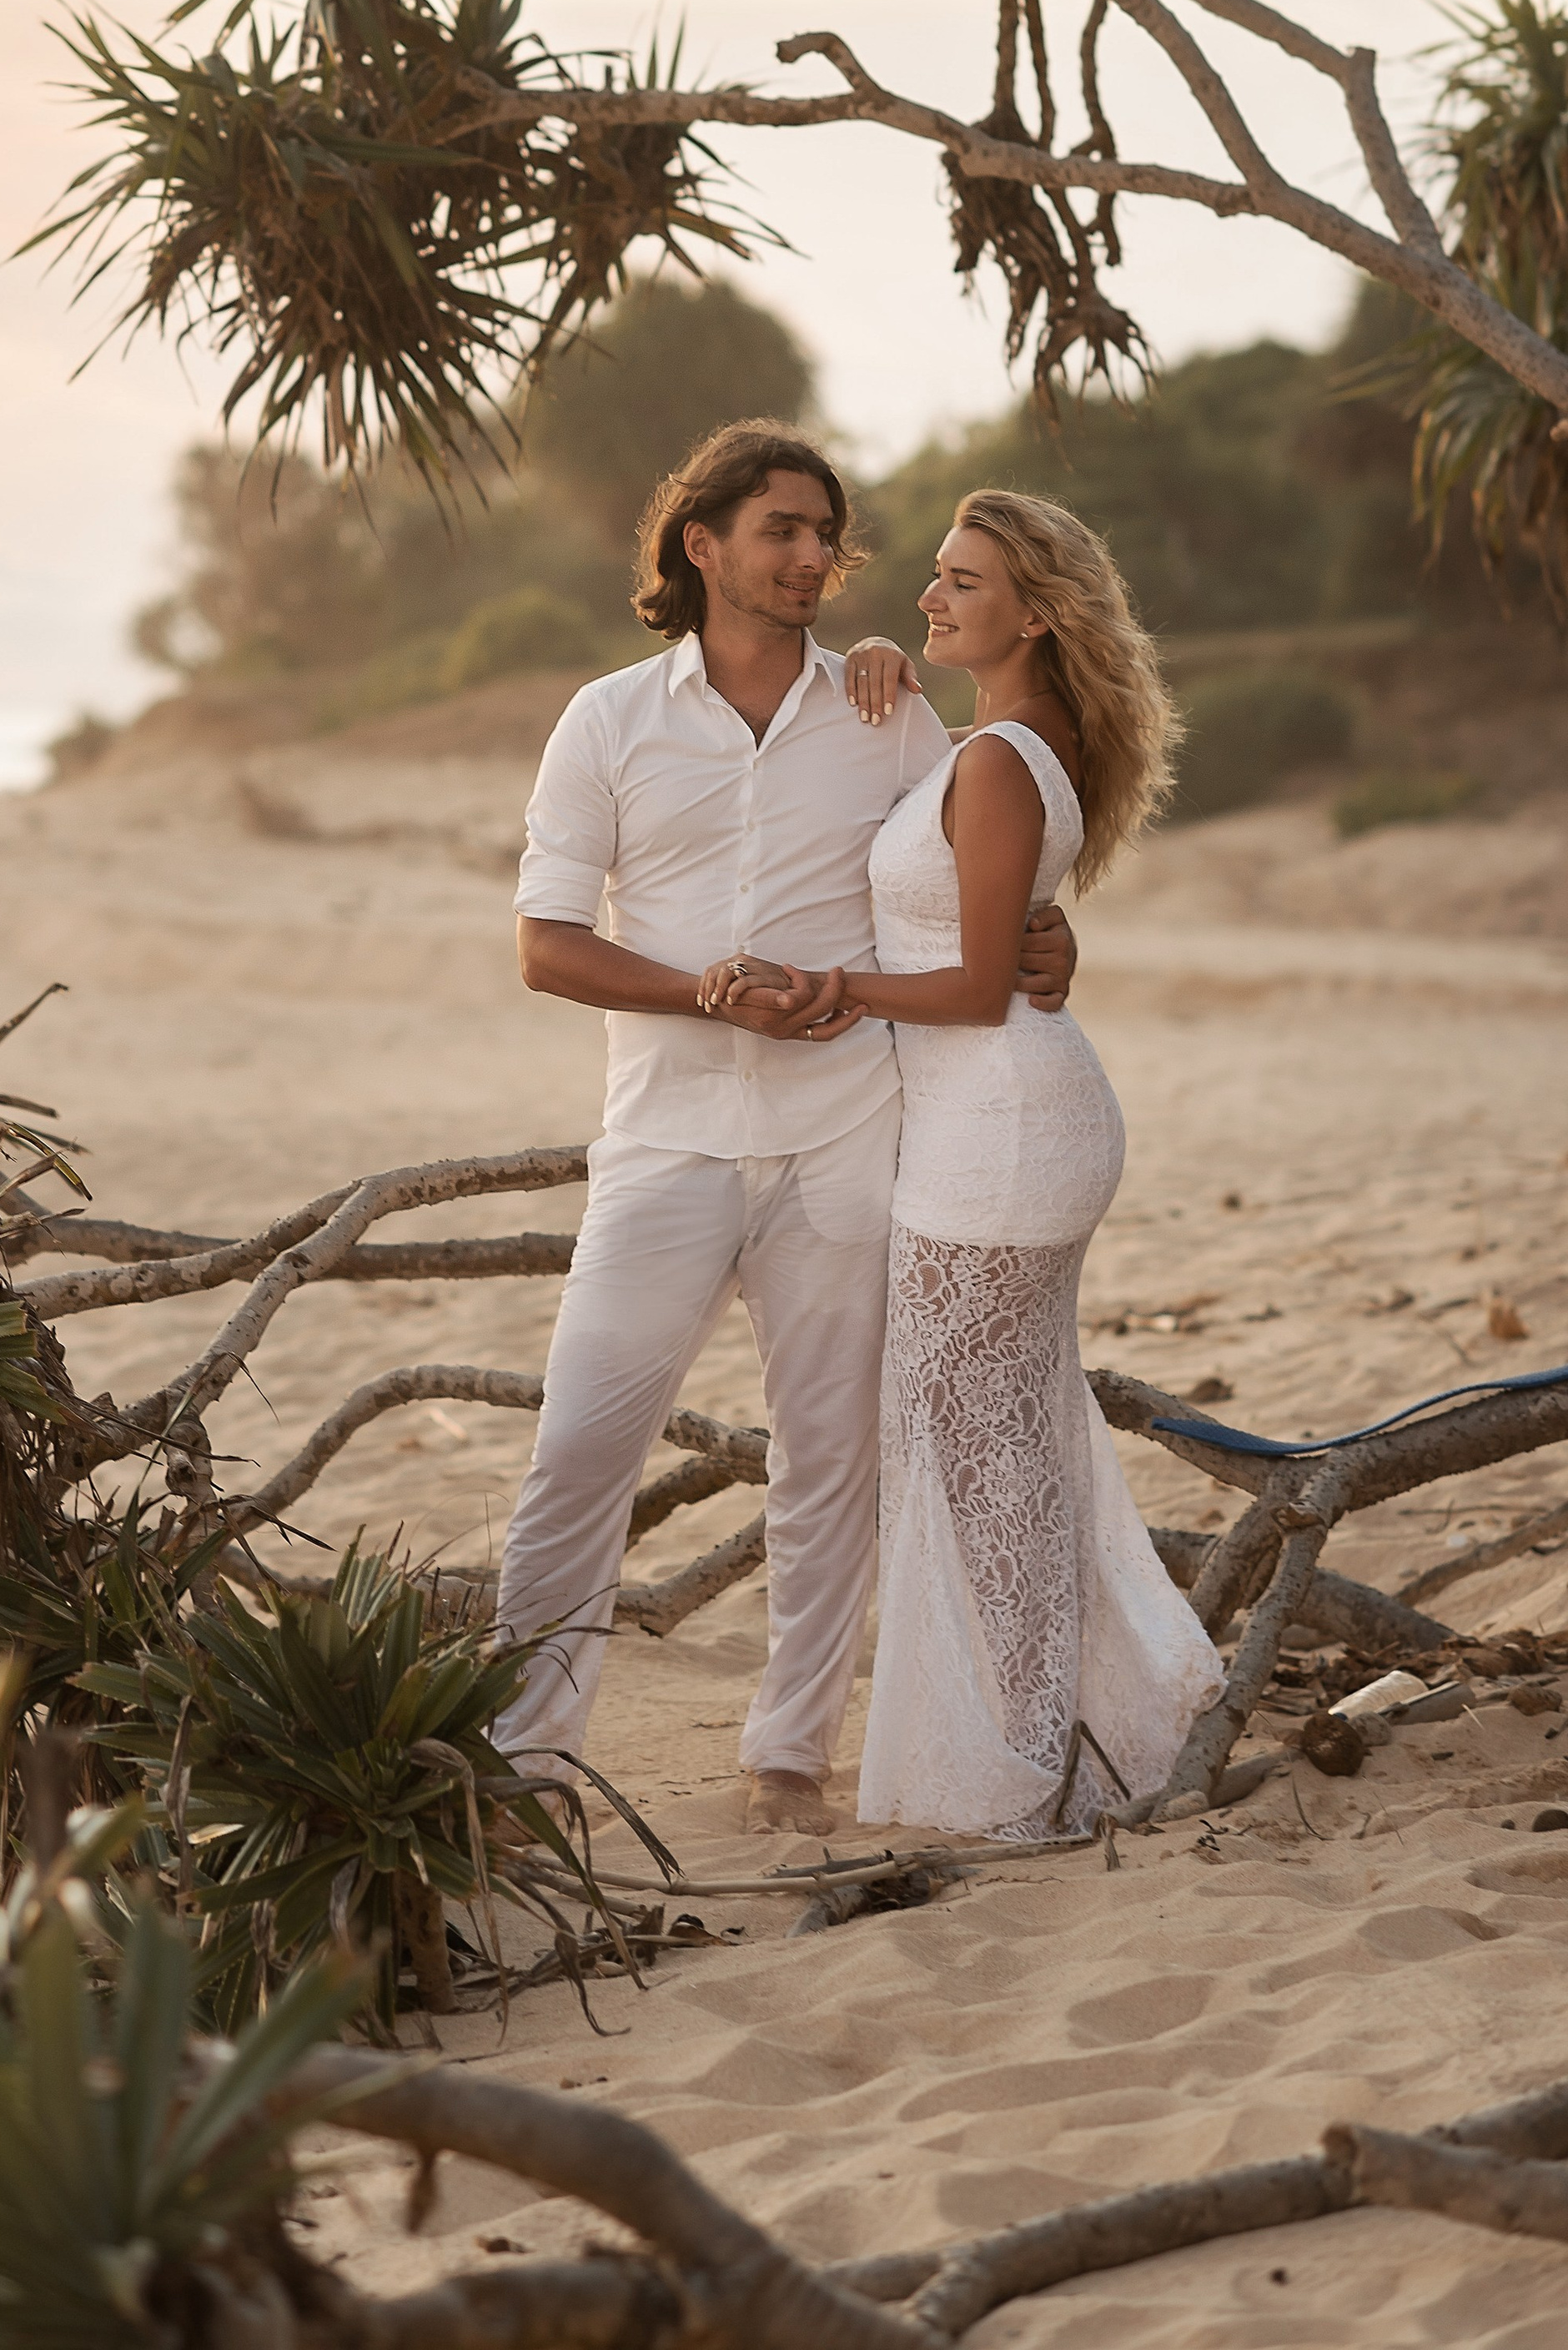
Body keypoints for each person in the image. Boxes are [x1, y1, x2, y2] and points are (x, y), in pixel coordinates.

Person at [500, 426, 1078, 1834]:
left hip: (845, 1133)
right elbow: (547, 947)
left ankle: (788, 1759)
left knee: (828, 1462)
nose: (816, 557)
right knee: (581, 1449)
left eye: (828, 533)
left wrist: (1051, 941)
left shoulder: (890, 714)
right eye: (782, 530)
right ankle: (520, 1767)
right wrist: (705, 992)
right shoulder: (608, 719)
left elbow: (971, 889)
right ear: (701, 546)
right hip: (667, 1141)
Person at [708, 490, 1221, 1837]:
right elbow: (1005, 947)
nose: (928, 598)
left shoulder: (1000, 762)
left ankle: (1028, 1767)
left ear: (1036, 613)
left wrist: (830, 982)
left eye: (961, 583)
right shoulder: (999, 744)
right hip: (1002, 1125)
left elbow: (985, 984)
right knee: (1010, 1444)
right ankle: (1071, 1739)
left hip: (996, 1134)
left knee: (984, 1459)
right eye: (936, 576)